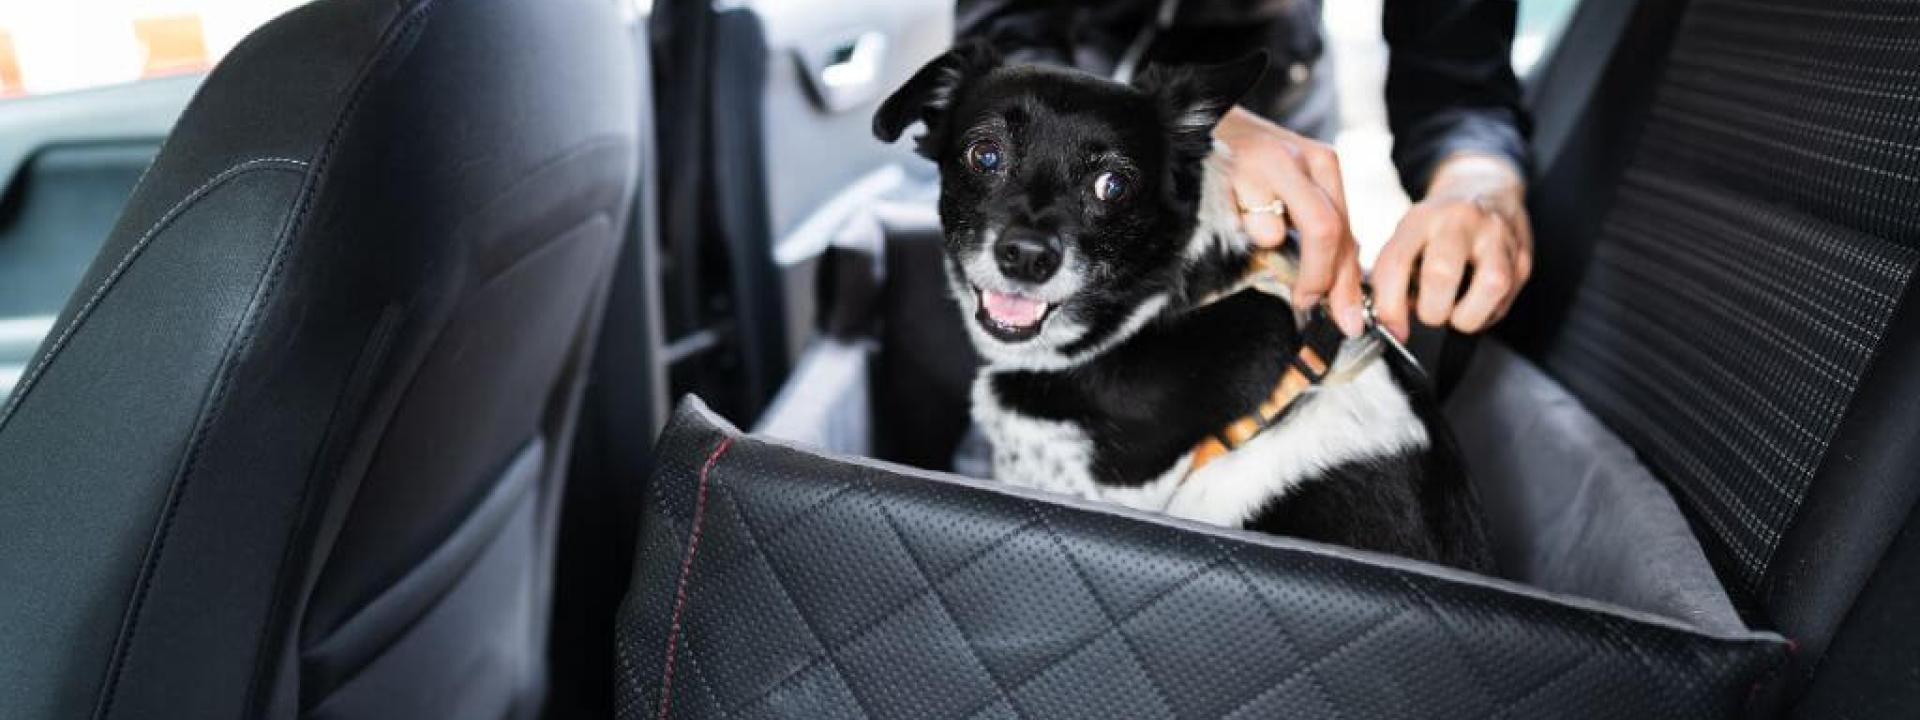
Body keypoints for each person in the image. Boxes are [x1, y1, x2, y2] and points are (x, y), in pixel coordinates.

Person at [957, 0, 1533, 340]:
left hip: (1277, 93)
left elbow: (1459, 84)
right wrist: (1168, 131)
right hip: (1067, 75)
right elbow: (1004, 29)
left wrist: (1478, 183)